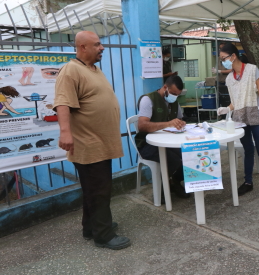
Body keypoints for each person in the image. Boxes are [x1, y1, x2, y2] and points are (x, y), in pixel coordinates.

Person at [54, 31, 130, 250]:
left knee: (92, 188)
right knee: (99, 189)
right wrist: (65, 132)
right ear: (82, 47)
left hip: (101, 142)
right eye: (97, 44)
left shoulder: (94, 70)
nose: (102, 48)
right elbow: (62, 103)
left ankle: (91, 227)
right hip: (88, 143)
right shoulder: (70, 70)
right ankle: (104, 236)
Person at [216, 43, 259, 200]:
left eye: (224, 58)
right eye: (221, 59)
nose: (223, 62)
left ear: (233, 56)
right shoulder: (229, 79)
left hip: (257, 115)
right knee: (247, 150)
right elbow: (234, 102)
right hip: (241, 118)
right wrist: (227, 109)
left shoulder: (252, 70)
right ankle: (248, 182)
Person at [135, 75, 190, 200]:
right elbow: (142, 125)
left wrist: (180, 123)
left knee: (188, 153)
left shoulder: (174, 102)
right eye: (173, 93)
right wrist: (168, 124)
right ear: (165, 87)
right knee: (173, 159)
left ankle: (174, 181)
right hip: (147, 144)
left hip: (169, 142)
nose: (175, 97)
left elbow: (179, 119)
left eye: (178, 94)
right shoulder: (148, 100)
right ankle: (163, 188)